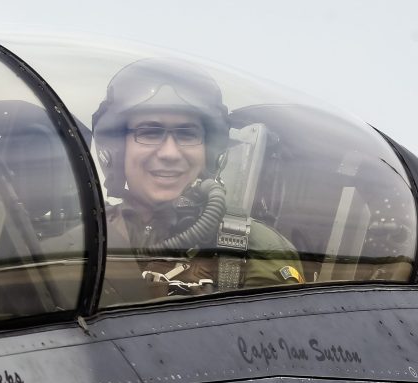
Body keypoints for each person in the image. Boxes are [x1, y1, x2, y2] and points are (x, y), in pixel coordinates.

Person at [91, 58, 304, 303]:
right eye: (149, 132)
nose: (169, 153)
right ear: (117, 150)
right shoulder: (83, 238)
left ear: (209, 153)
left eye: (187, 134)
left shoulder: (258, 249)